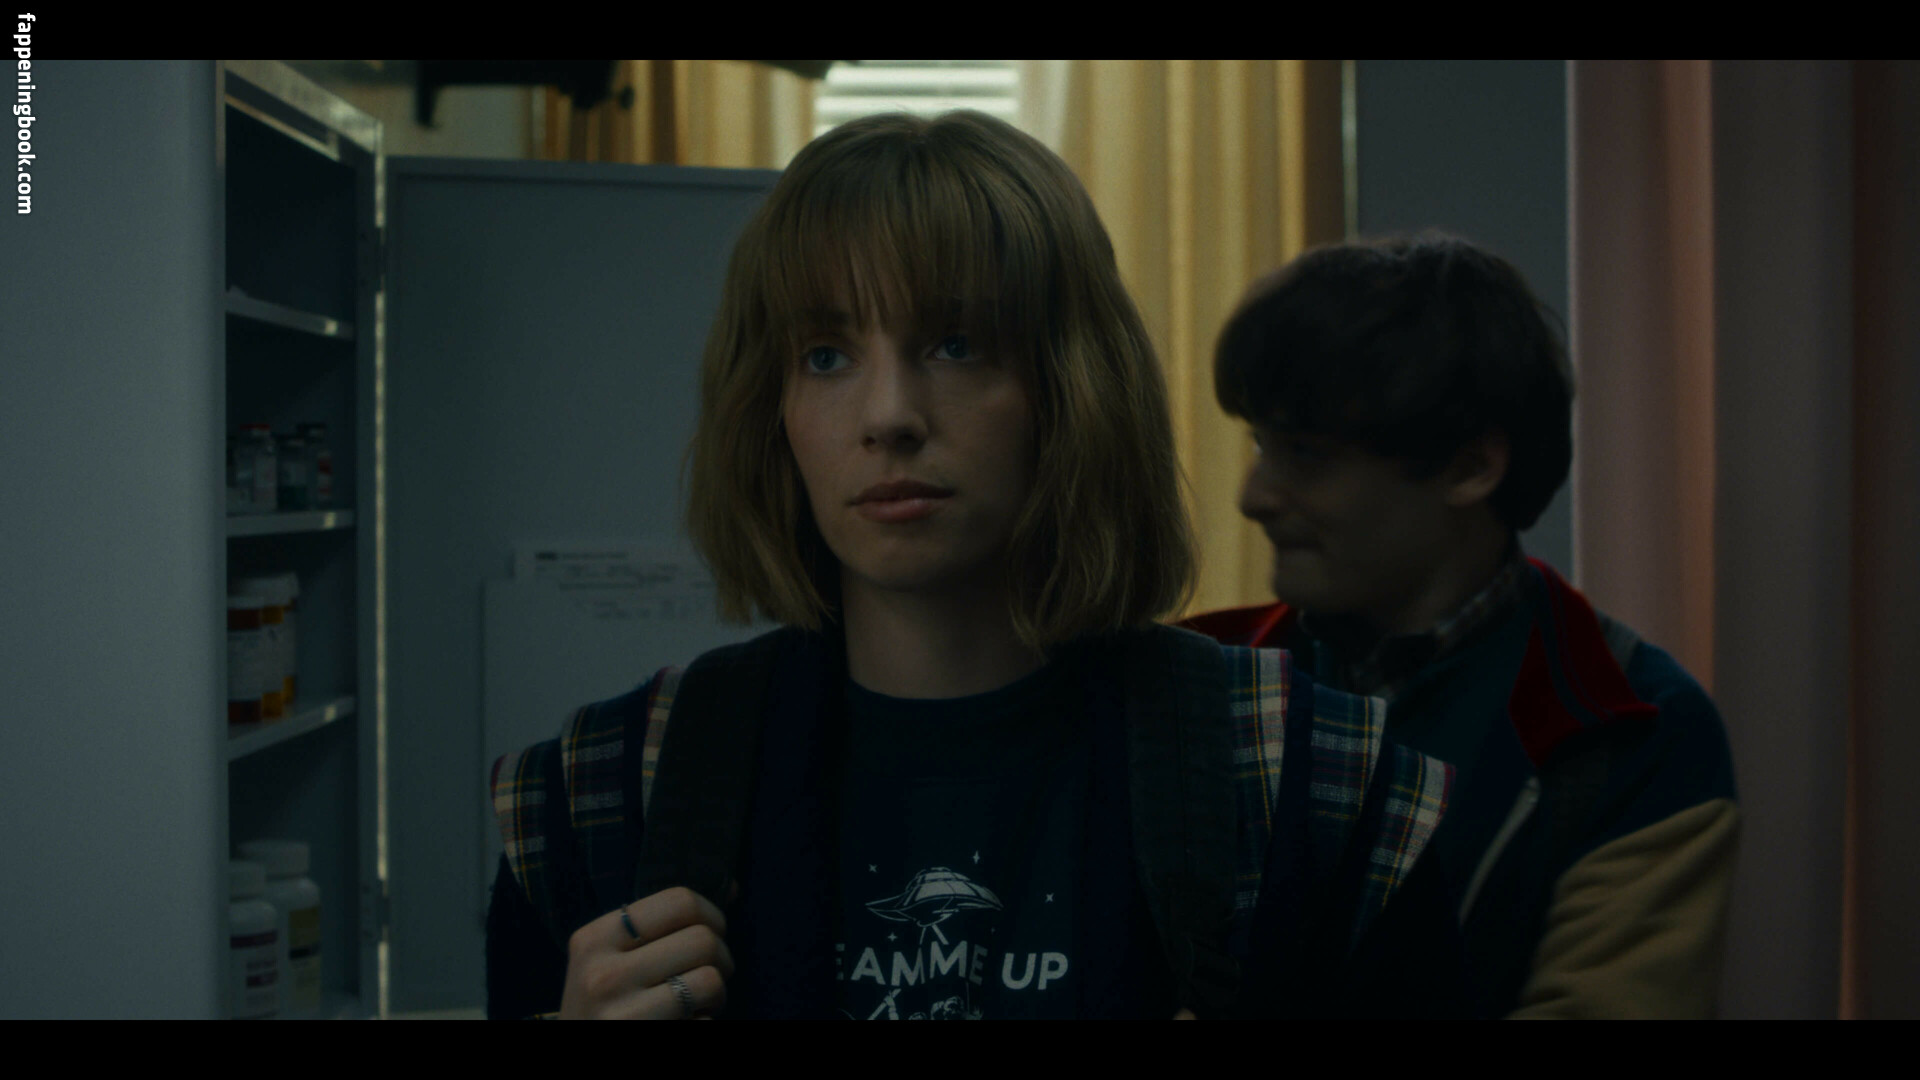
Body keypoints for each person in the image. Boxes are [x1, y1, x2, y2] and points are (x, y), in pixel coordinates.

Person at [484, 112, 1459, 1020]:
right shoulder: (604, 796)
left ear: (1072, 389)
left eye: (955, 345)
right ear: (770, 411)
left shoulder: (1309, 784)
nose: (889, 416)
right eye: (825, 356)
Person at [1180, 235, 1740, 1018]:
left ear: (1471, 467)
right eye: (1258, 443)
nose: (1253, 496)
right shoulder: (1189, 686)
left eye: (1305, 454)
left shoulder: (1635, 732)